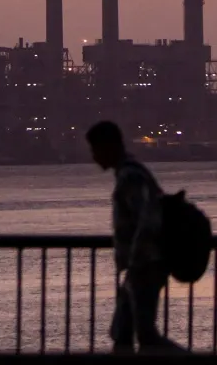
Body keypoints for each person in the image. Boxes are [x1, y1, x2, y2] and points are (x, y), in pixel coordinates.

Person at [87, 119, 176, 352]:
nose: (94, 156)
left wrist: (135, 260)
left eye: (95, 149)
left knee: (145, 335)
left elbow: (147, 221)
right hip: (140, 267)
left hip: (144, 267)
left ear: (109, 146)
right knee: (123, 332)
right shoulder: (130, 173)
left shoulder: (130, 176)